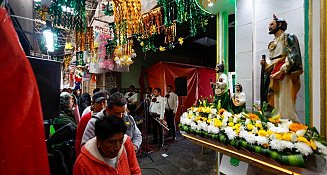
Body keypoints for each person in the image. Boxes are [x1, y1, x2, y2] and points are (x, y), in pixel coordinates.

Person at [260, 14, 303, 121]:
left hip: (284, 74)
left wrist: (282, 70)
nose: (269, 26)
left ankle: (286, 122)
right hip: (273, 74)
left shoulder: (288, 37)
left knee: (284, 99)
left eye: (272, 24)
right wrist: (265, 64)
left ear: (279, 24)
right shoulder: (273, 42)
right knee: (274, 99)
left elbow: (293, 56)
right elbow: (272, 60)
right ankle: (275, 120)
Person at [74, 116, 141, 175]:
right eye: (112, 142)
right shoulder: (82, 164)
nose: (117, 147)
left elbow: (135, 170)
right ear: (99, 141)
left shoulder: (126, 143)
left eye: (120, 141)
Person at [75, 91, 107, 156]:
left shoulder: (108, 117)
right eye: (99, 103)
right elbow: (79, 140)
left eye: (104, 102)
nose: (102, 105)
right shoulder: (86, 118)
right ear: (93, 103)